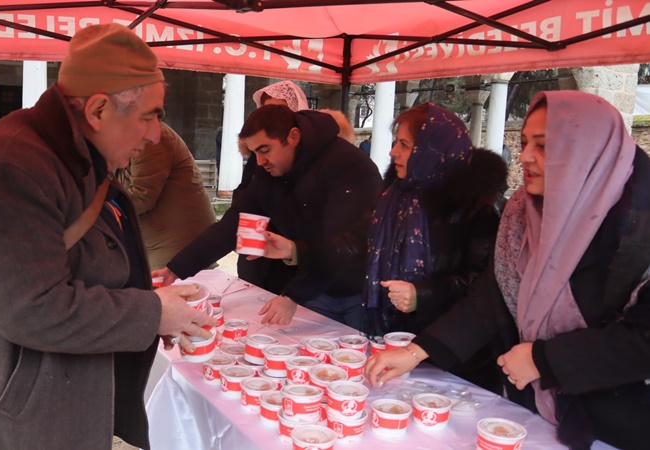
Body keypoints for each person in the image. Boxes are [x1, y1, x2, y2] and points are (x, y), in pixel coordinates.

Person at [0, 24, 214, 449]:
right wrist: (149, 312)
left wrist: (137, 289)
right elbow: (32, 308)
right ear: (99, 110)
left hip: (37, 393)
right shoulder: (9, 167)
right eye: (149, 116)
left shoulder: (67, 154)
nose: (156, 134)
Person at [365, 91, 650, 450]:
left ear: (588, 152)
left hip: (621, 424)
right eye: (525, 142)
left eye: (544, 146)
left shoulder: (639, 221)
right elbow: (491, 295)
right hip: (538, 409)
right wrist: (416, 352)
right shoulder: (525, 211)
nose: (525, 157)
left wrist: (543, 359)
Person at [155, 105, 382, 330]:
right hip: (312, 287)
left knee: (360, 360)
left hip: (357, 291)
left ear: (294, 136)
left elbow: (347, 244)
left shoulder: (347, 165)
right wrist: (177, 268)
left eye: (265, 150)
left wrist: (293, 295)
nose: (260, 161)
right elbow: (234, 223)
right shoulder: (268, 170)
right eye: (254, 153)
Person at [364, 103, 507, 337]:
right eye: (396, 142)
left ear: (433, 151)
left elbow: (483, 283)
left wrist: (422, 295)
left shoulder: (478, 207)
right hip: (393, 330)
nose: (393, 152)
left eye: (404, 145)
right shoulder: (394, 194)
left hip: (450, 342)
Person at [235, 80, 312, 294]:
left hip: (292, 262)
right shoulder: (257, 158)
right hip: (257, 254)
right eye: (267, 110)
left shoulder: (315, 161)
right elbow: (244, 201)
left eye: (281, 110)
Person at [117, 121, 217, 270]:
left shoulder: (151, 138)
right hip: (157, 237)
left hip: (176, 241)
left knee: (168, 288)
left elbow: (141, 197)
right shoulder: (126, 137)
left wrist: (99, 213)